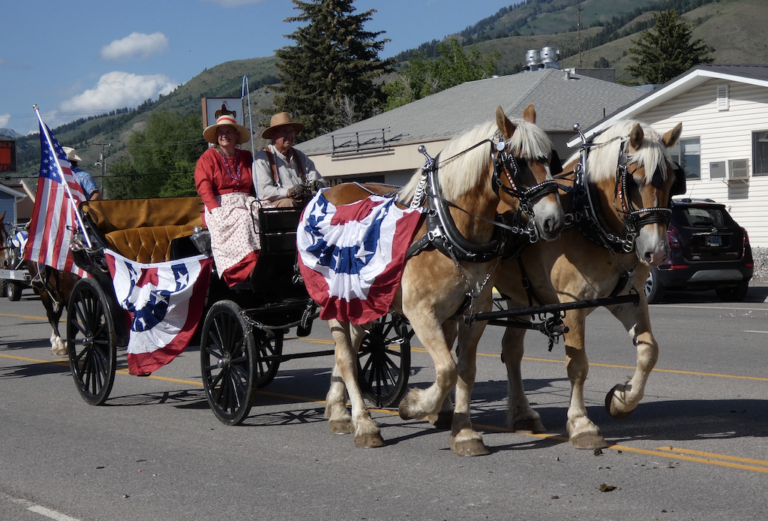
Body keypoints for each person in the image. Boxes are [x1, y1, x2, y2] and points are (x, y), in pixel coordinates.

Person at [195, 114, 268, 286]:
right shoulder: (209, 157)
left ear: (236, 136)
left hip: (246, 201)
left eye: (228, 132)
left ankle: (273, 260)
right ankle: (248, 268)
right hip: (221, 205)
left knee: (269, 214)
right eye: (220, 132)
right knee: (245, 220)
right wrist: (215, 209)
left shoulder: (246, 156)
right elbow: (204, 187)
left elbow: (256, 183)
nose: (224, 135)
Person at [253, 112, 326, 207]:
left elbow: (318, 180)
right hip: (277, 204)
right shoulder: (263, 158)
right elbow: (263, 191)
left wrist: (319, 185)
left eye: (291, 131)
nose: (289, 135)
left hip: (304, 201)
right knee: (288, 203)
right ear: (273, 135)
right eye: (284, 132)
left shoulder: (300, 156)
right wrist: (289, 192)